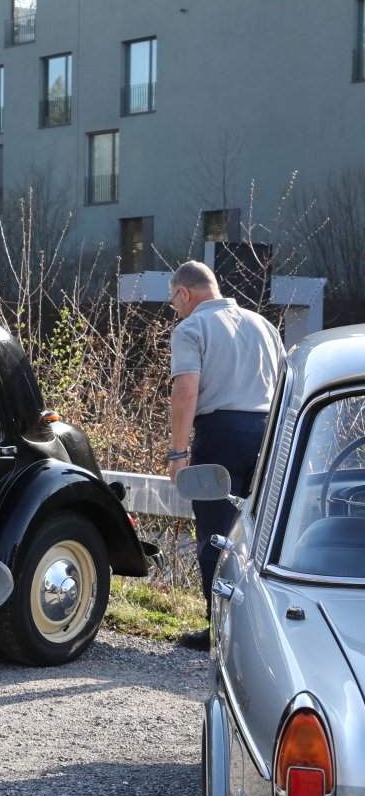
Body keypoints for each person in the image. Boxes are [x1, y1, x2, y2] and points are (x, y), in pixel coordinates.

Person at [166, 260, 282, 650]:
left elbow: (185, 393)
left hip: (220, 437)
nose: (176, 310)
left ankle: (219, 630)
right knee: (261, 536)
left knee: (216, 535)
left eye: (174, 301)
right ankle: (260, 632)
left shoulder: (191, 329)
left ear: (184, 293)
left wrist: (177, 454)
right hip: (269, 435)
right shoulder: (264, 326)